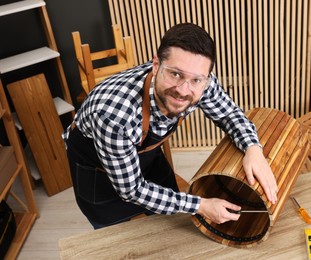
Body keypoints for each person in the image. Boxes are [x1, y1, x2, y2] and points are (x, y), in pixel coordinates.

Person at [63, 23, 278, 229]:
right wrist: (201, 205)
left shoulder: (202, 82)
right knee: (119, 243)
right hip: (98, 176)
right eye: (175, 74)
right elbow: (132, 190)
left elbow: (229, 114)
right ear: (156, 65)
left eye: (196, 80)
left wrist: (253, 148)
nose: (184, 90)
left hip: (144, 159)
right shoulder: (114, 115)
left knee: (169, 227)